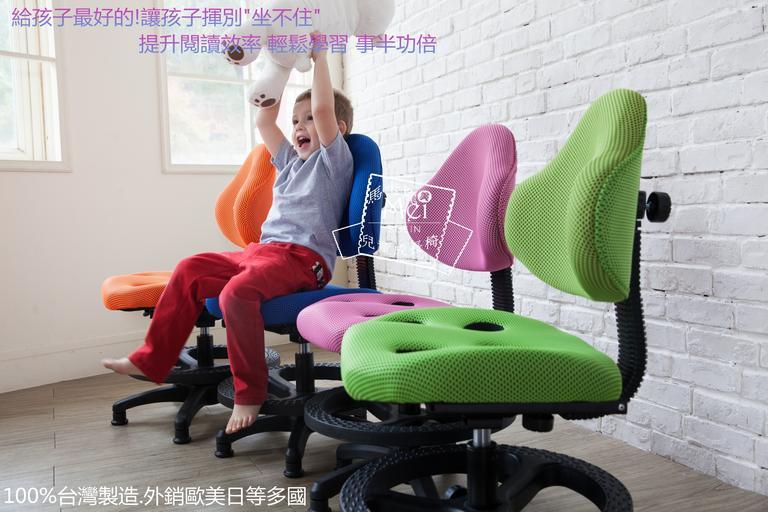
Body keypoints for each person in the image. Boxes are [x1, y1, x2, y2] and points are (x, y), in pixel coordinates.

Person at [102, 43, 354, 435]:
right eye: (296, 121)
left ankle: (249, 392)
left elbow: (324, 109)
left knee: (236, 294)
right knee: (191, 268)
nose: (300, 127)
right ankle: (151, 359)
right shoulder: (289, 163)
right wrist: (281, 65)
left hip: (303, 260)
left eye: (309, 120)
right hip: (264, 253)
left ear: (338, 129)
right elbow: (264, 121)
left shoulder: (334, 162)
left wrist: (320, 57)